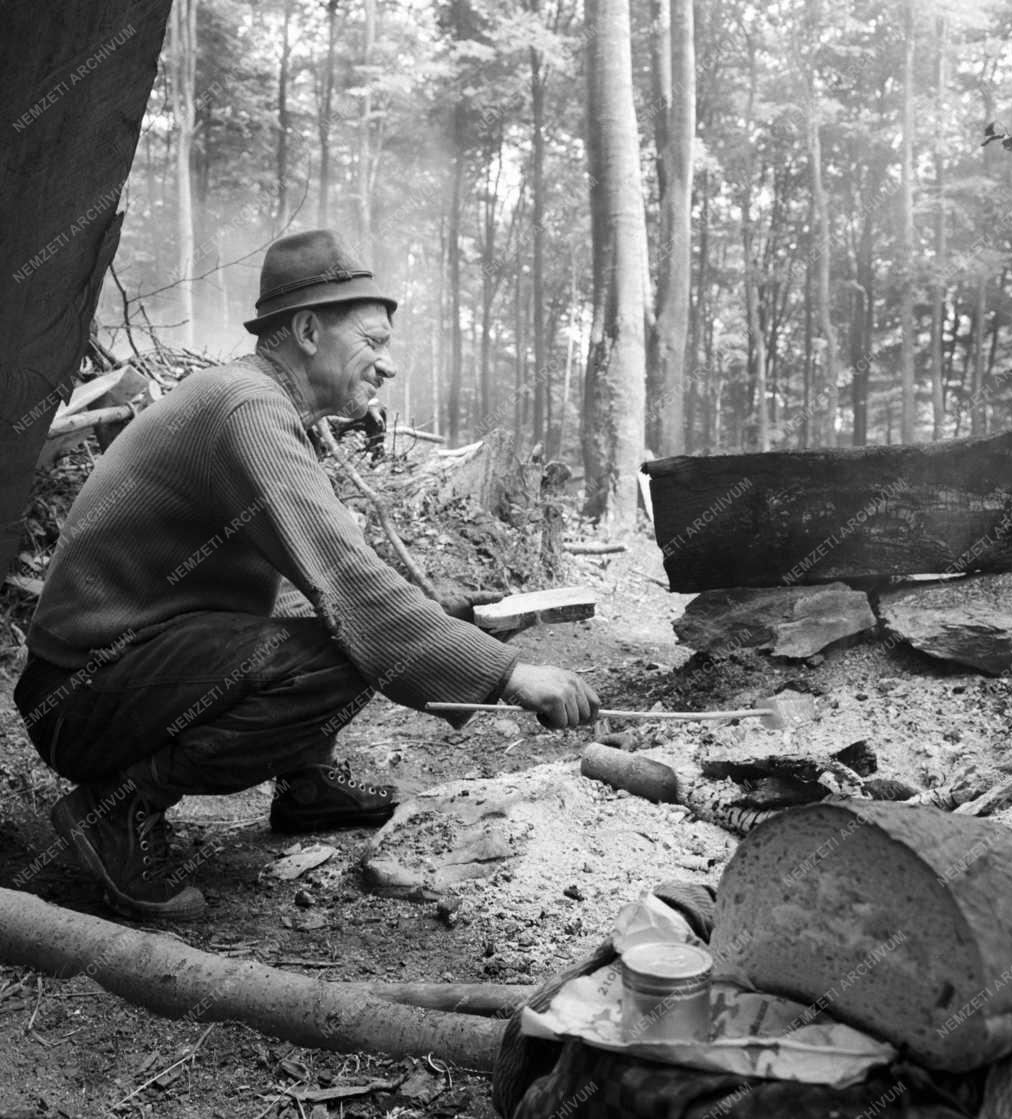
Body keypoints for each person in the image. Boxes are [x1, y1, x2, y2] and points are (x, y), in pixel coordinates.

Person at [13, 229, 600, 922]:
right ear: (309, 330)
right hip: (83, 693)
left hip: (114, 673)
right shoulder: (249, 409)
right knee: (352, 653)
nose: (388, 366)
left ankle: (308, 782)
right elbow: (347, 582)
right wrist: (508, 674)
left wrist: (436, 615)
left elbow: (309, 580)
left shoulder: (255, 402)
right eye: (375, 342)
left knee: (359, 632)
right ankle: (117, 808)